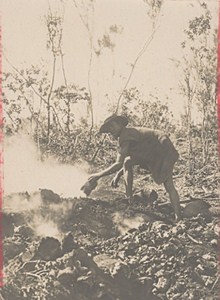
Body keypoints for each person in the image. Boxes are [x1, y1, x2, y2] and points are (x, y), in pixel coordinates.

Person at [86, 114, 181, 221]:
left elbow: (118, 163)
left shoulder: (125, 135)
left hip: (162, 149)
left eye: (112, 126)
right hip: (154, 151)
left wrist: (98, 175)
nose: (110, 130)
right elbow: (129, 160)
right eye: (108, 129)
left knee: (168, 185)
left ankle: (178, 217)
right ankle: (129, 200)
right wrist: (118, 174)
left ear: (120, 124)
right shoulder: (129, 133)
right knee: (127, 162)